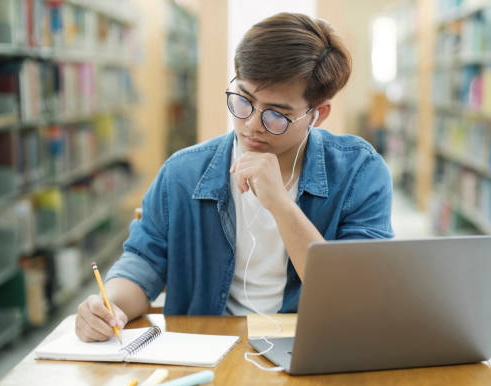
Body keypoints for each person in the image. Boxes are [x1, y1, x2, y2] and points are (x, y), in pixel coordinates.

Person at [75, 12, 394, 342]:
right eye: (243, 100)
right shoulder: (183, 172)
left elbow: (355, 296)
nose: (251, 124)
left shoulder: (359, 171)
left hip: (312, 345)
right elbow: (144, 262)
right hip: (208, 349)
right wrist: (107, 305)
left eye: (276, 115)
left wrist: (282, 206)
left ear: (318, 114)